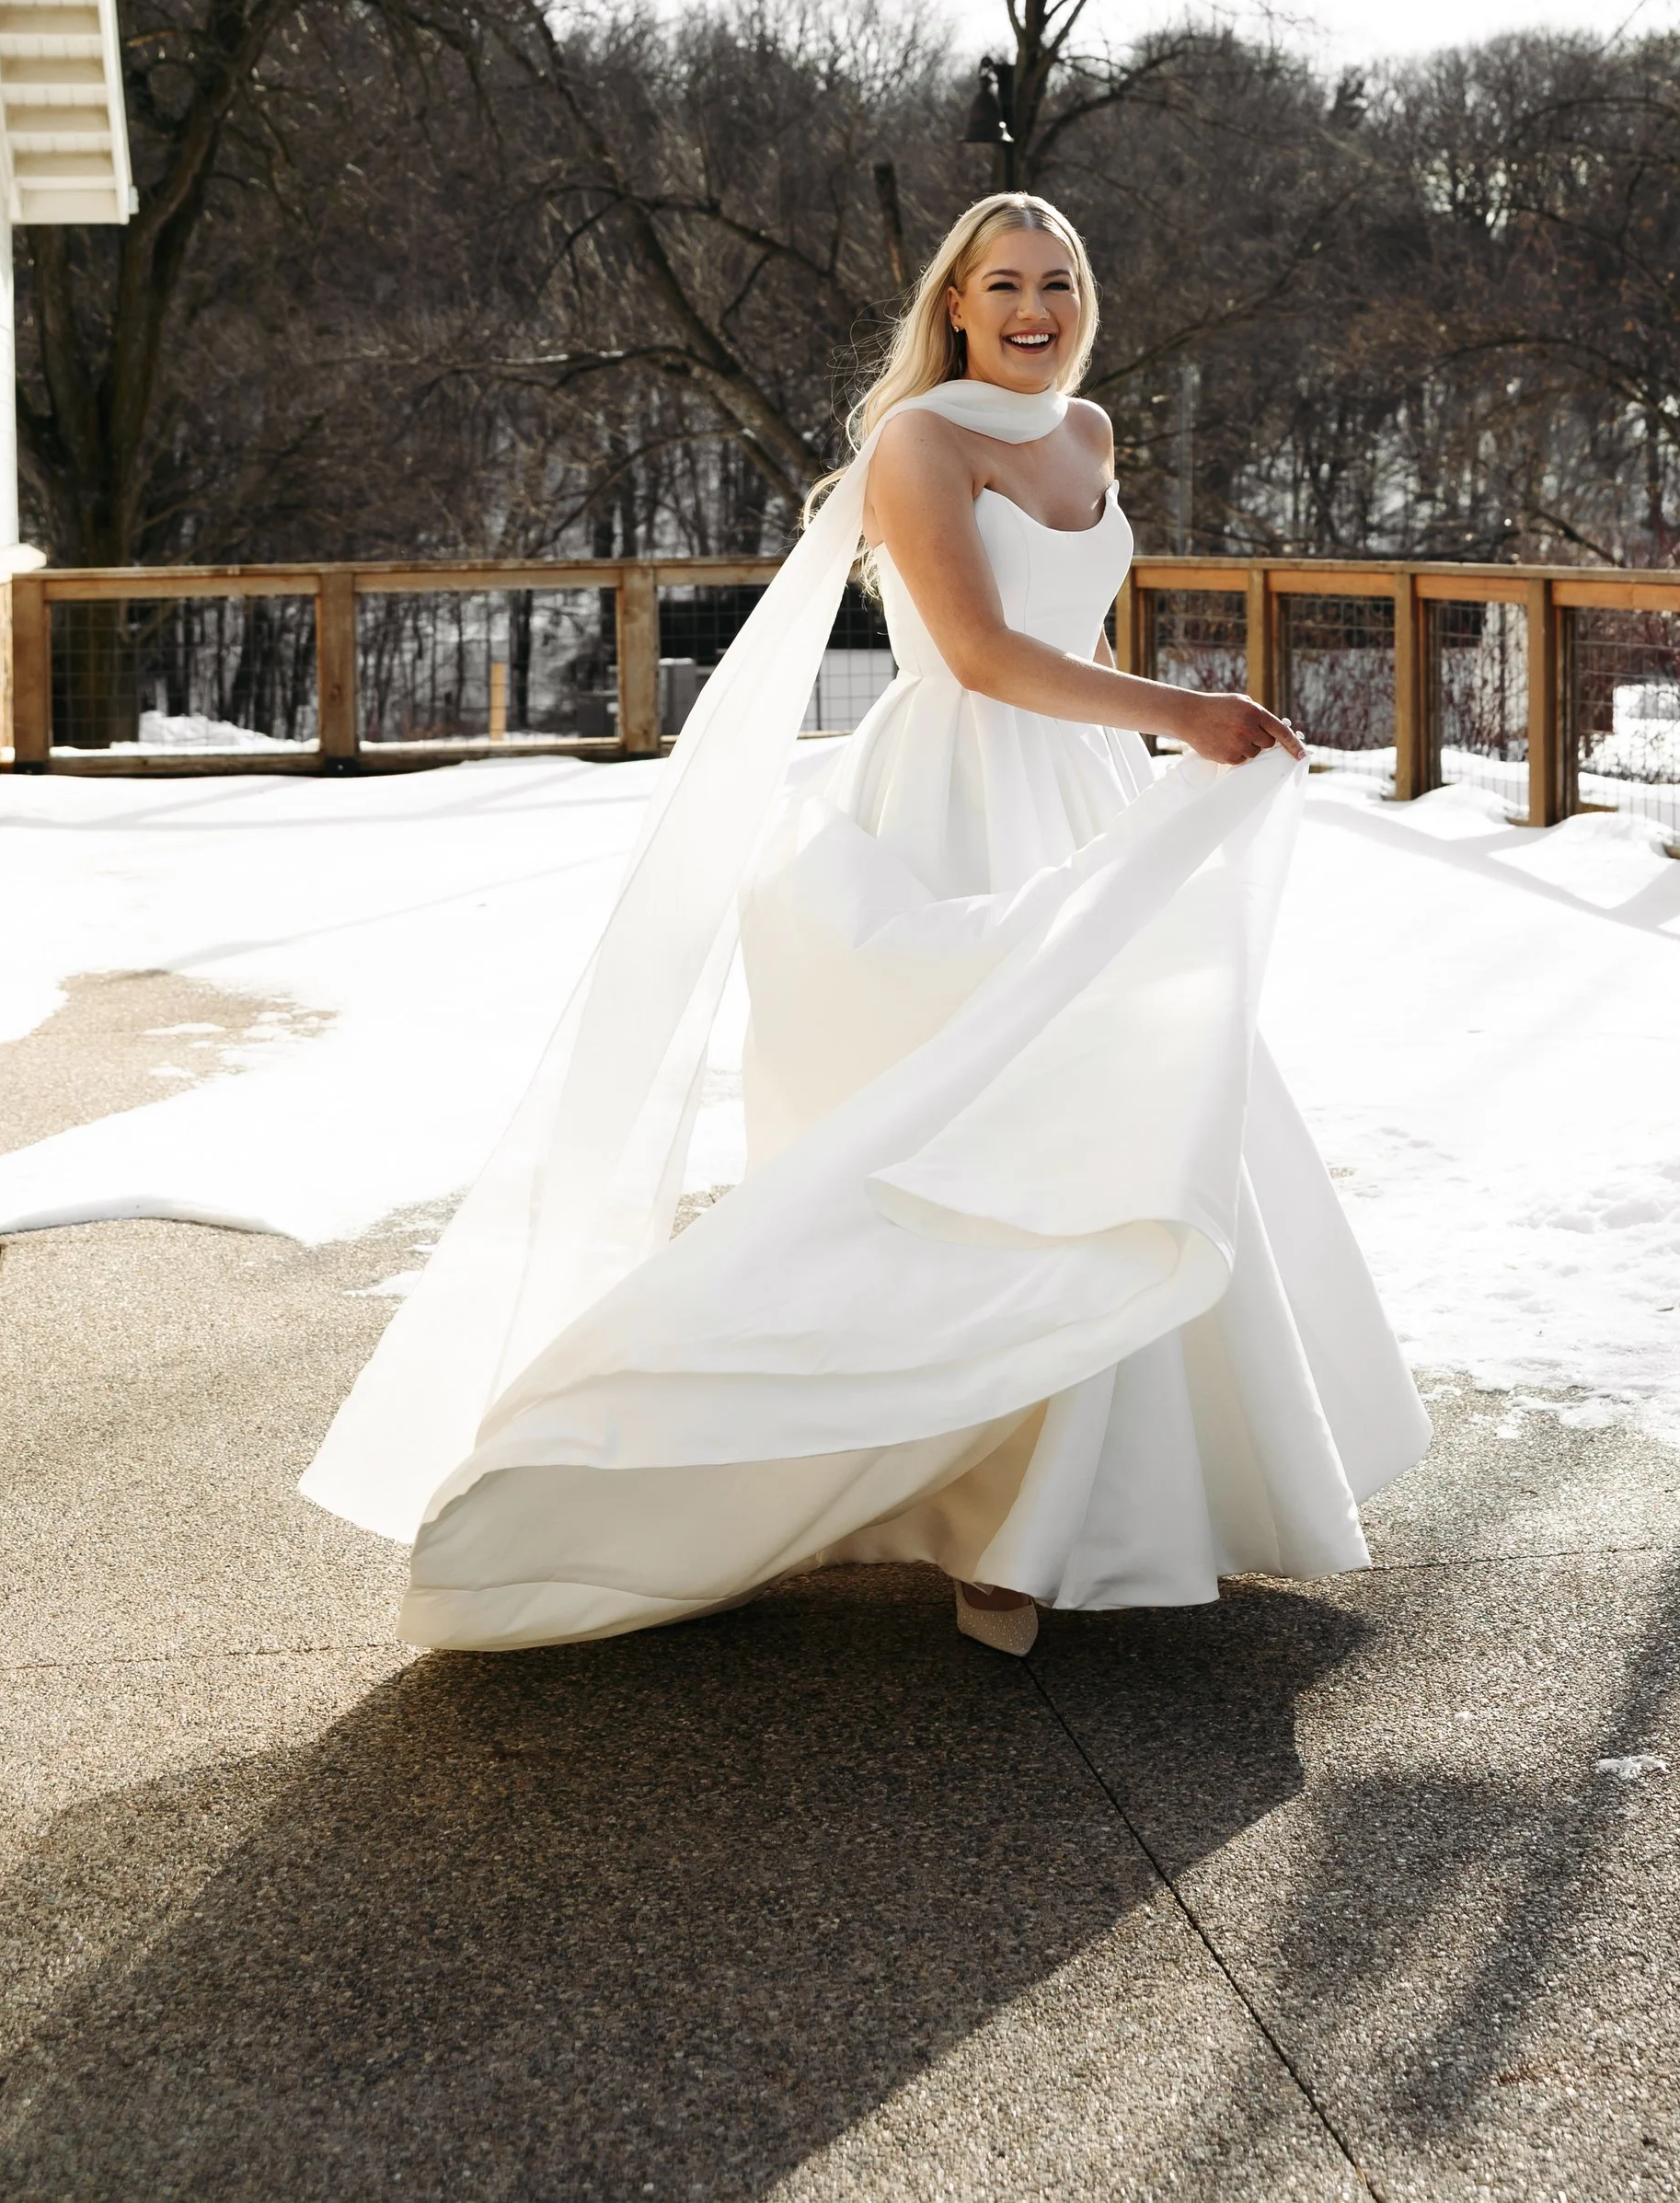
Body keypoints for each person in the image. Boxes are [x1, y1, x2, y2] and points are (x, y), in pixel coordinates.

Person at [304, 194, 1429, 1653]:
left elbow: (1072, 636)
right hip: (955, 801)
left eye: (1061, 281)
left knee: (1123, 1115)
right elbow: (976, 650)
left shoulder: (1086, 438)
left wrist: (1146, 764)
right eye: (1006, 283)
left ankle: (1091, 1507)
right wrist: (1183, 713)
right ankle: (980, 1526)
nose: (1036, 308)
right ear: (954, 303)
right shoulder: (922, 441)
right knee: (985, 1136)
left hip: (1077, 788)